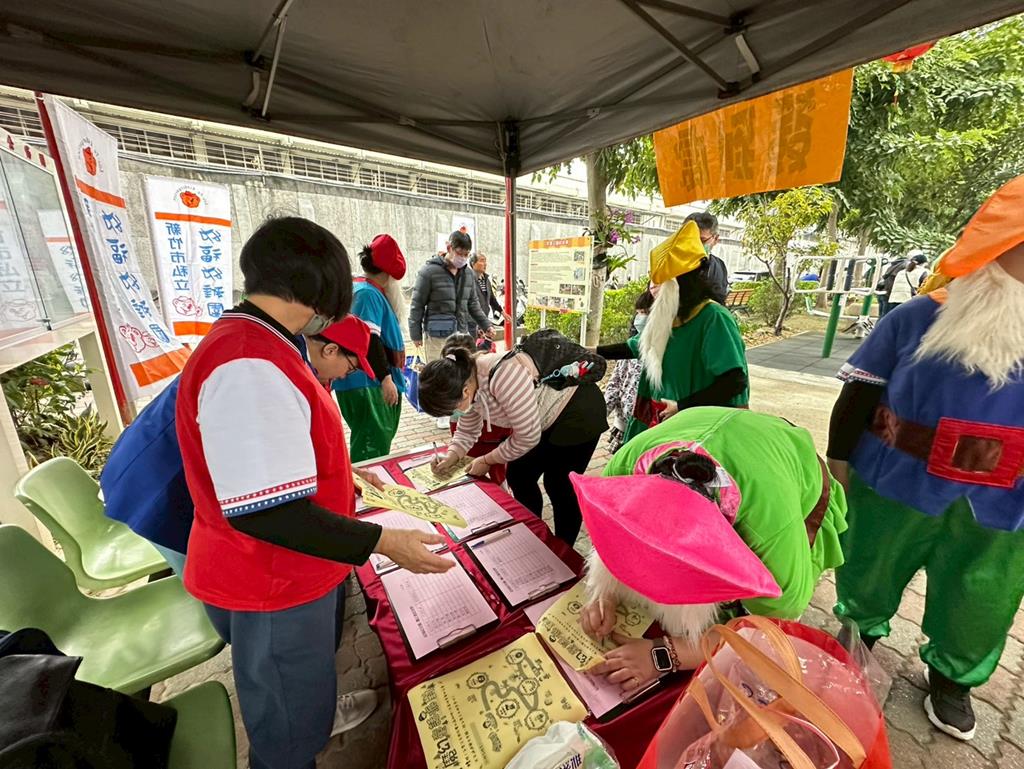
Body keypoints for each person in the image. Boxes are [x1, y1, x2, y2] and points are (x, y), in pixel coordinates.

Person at [175, 217, 452, 769]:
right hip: (273, 577)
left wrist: (348, 478)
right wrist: (384, 541)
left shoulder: (261, 343)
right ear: (320, 287)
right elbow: (267, 513)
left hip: (289, 569)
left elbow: (278, 459)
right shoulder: (249, 362)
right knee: (286, 736)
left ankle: (315, 715)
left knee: (301, 696)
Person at [827, 175, 1024, 742]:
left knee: (981, 594)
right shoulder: (915, 316)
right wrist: (838, 461)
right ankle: (859, 634)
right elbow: (858, 395)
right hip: (895, 478)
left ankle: (953, 676)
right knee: (869, 563)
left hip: (1005, 502)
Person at [572, 407, 847, 689]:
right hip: (715, 432)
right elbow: (611, 543)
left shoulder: (770, 536)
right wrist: (604, 595)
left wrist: (666, 655)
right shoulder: (620, 472)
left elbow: (769, 626)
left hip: (779, 459)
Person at [100, 321, 382, 579]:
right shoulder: (268, 364)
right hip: (156, 481)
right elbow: (264, 476)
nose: (345, 376)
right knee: (205, 582)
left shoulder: (281, 347)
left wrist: (344, 471)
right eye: (351, 368)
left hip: (152, 463)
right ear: (330, 351)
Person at [418, 334, 608, 546]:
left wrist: (487, 460)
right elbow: (467, 429)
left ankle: (563, 548)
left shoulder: (503, 376)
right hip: (542, 419)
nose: (454, 414)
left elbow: (527, 437)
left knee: (558, 485)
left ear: (464, 391)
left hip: (578, 413)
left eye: (452, 410)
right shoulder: (466, 380)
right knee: (519, 474)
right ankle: (534, 532)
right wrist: (452, 456)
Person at [597, 221, 748, 446]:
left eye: (661, 284)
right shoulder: (670, 316)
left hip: (703, 427)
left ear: (677, 286)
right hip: (667, 420)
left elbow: (734, 381)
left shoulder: (714, 319)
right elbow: (636, 346)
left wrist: (682, 406)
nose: (653, 290)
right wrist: (591, 351)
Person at [334, 234, 408, 462]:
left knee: (376, 440)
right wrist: (385, 378)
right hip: (369, 383)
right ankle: (366, 483)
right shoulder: (368, 294)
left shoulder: (362, 288)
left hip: (368, 382)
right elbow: (369, 339)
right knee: (371, 446)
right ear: (388, 274)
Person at [408, 230, 493, 362]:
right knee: (438, 371)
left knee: (462, 371)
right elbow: (417, 305)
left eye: (466, 254)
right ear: (449, 248)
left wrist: (486, 325)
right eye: (459, 253)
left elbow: (473, 304)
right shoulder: (428, 272)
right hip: (437, 336)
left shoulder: (468, 274)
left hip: (461, 335)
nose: (463, 258)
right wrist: (415, 334)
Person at [603, 288, 653, 454]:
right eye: (638, 312)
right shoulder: (629, 349)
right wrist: (602, 412)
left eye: (645, 313)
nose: (640, 318)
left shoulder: (665, 353)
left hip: (648, 427)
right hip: (624, 423)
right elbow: (615, 382)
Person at [684, 211, 728, 304]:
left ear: (716, 239)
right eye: (690, 239)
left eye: (702, 240)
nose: (695, 245)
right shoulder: (671, 264)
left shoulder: (720, 266)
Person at [467, 251, 509, 339]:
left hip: (483, 321)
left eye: (485, 261)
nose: (485, 264)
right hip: (471, 323)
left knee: (483, 345)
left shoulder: (486, 280)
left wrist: (503, 312)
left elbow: (492, 299)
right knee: (471, 345)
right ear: (473, 264)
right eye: (482, 261)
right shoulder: (468, 280)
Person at [875, 253, 911, 317]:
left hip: (882, 292)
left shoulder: (892, 266)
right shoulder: (906, 266)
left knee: (882, 316)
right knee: (887, 316)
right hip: (890, 294)